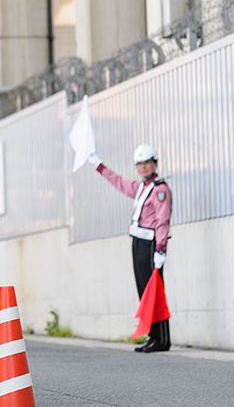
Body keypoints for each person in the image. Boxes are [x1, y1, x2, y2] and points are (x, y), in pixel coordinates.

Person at [88, 144, 172, 353]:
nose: (143, 167)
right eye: (140, 164)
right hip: (138, 243)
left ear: (155, 164)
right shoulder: (141, 188)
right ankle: (153, 337)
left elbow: (162, 221)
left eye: (147, 163)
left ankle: (161, 339)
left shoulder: (160, 190)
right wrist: (99, 166)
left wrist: (160, 249)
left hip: (152, 244)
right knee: (145, 292)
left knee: (155, 291)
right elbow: (119, 182)